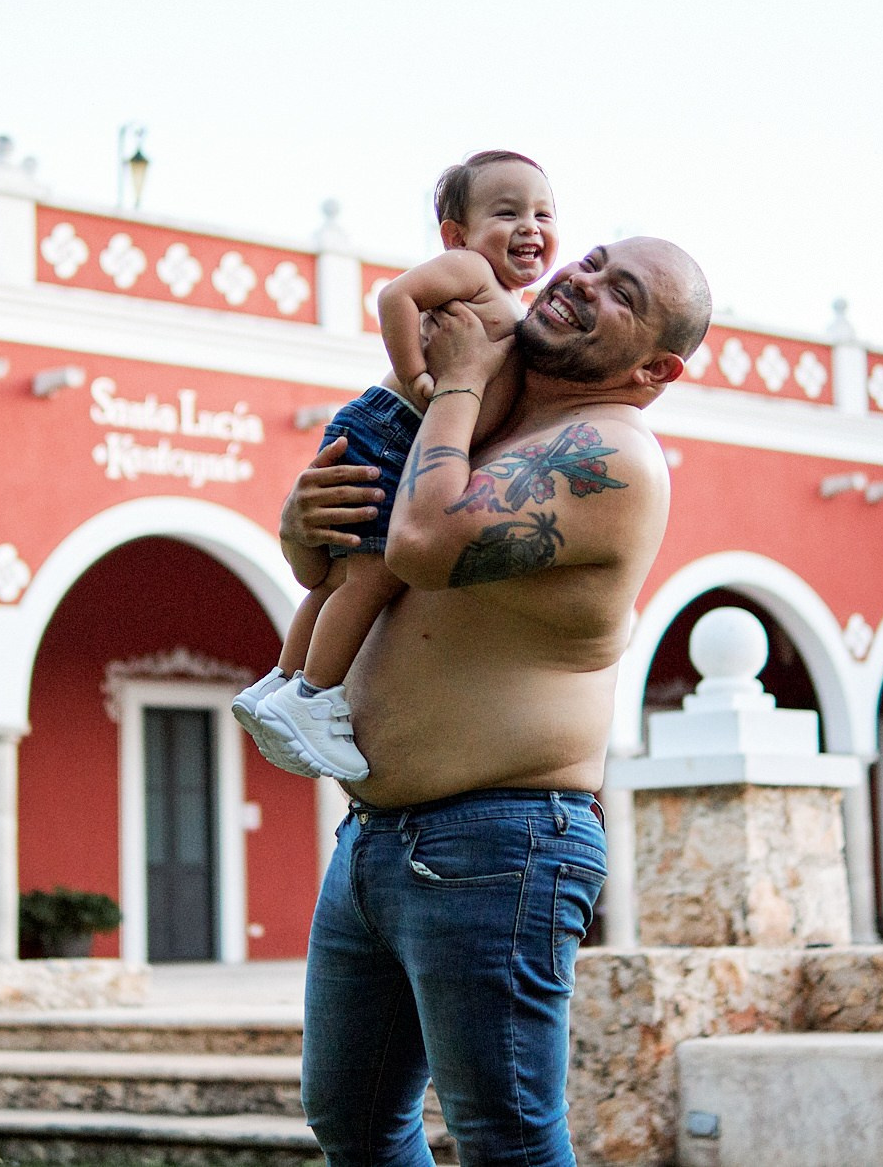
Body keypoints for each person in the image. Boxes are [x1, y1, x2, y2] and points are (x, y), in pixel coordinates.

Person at [283, 237, 712, 1167]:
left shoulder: (611, 452)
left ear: (655, 368)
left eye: (621, 292)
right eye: (592, 261)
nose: (580, 280)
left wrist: (459, 383)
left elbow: (425, 542)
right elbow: (354, 566)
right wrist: (298, 525)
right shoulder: (497, 423)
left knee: (505, 1140)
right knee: (352, 1125)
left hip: (500, 841)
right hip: (372, 838)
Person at [233, 151, 558, 782]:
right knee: (372, 577)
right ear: (456, 235)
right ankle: (313, 697)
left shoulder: (520, 307)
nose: (529, 227)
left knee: (335, 583)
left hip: (388, 433)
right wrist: (418, 375)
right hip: (393, 428)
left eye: (543, 213)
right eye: (507, 212)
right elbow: (395, 296)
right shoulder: (470, 273)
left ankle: (280, 682)